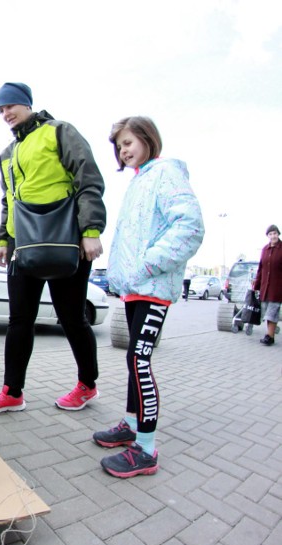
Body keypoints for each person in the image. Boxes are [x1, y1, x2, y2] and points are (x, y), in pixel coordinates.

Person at [0, 82, 106, 416]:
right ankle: (11, 392)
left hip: (65, 238)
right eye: (0, 110)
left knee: (72, 318)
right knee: (19, 320)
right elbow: (9, 200)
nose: (6, 113)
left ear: (27, 103)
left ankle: (87, 384)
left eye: (10, 106)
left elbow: (88, 178)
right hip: (24, 246)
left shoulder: (59, 131)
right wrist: (4, 240)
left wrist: (90, 230)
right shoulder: (6, 155)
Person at [95, 116, 204, 478]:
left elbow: (190, 226)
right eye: (119, 146)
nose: (123, 151)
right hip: (135, 288)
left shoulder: (166, 173)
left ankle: (146, 449)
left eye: (128, 142)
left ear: (147, 138)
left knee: (140, 360)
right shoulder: (141, 180)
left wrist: (149, 264)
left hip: (154, 286)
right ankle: (130, 425)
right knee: (132, 358)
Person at [254, 224, 281, 346]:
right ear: (268, 236)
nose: (273, 236)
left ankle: (269, 336)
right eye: (270, 234)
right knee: (266, 312)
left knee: (272, 312)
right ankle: (271, 334)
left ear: (278, 234)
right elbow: (261, 268)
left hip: (278, 287)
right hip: (265, 286)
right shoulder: (265, 249)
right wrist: (257, 285)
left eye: (275, 233)